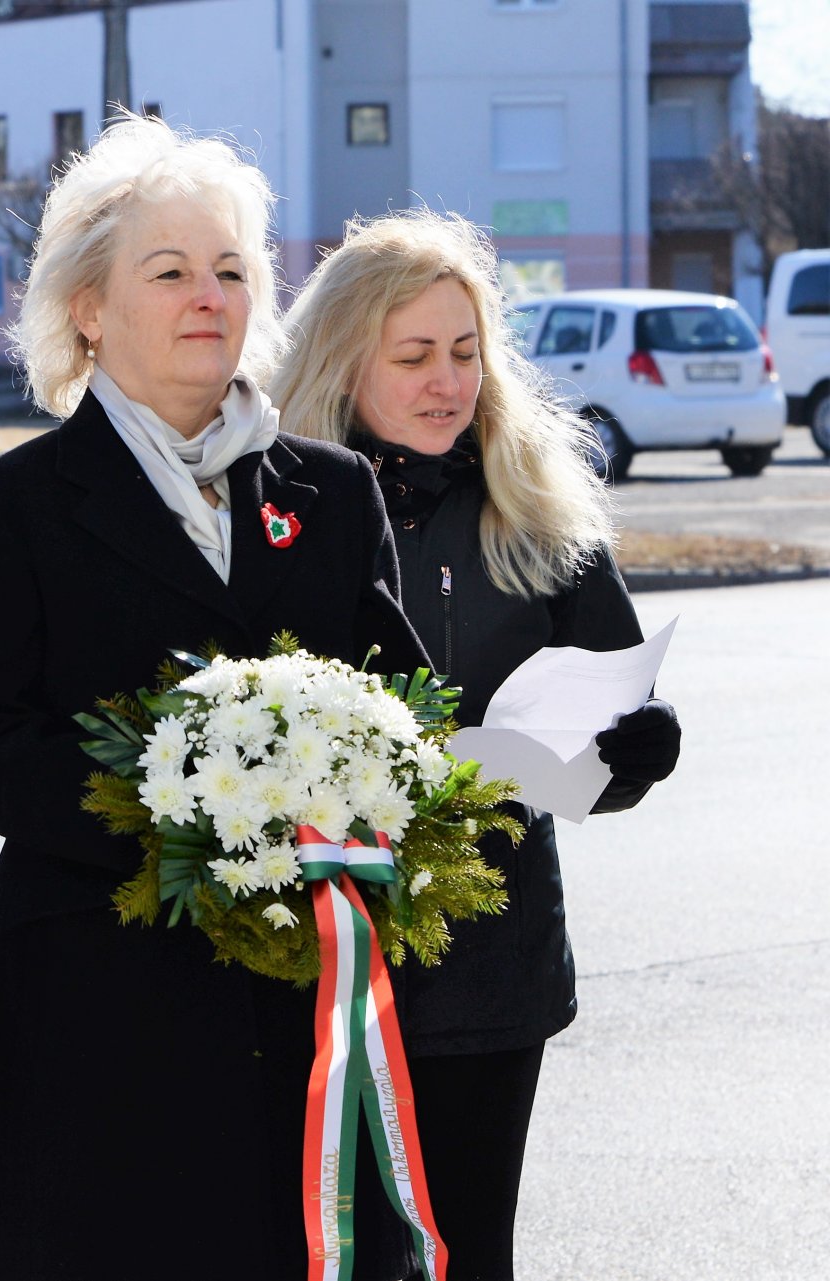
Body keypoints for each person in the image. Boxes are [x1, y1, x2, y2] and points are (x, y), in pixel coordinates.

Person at [0, 114, 428, 1280]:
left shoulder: (336, 491)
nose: (211, 296)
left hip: (303, 998)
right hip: (100, 1004)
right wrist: (188, 811)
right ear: (87, 307)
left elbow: (400, 705)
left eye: (233, 270)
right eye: (171, 271)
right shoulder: (11, 507)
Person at [272, 210, 682, 1280]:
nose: (446, 381)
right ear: (342, 359)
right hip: (304, 957)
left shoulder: (540, 506)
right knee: (323, 1250)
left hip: (489, 963)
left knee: (466, 1252)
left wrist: (636, 753)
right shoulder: (271, 502)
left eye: (465, 352)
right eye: (413, 356)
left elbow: (608, 720)